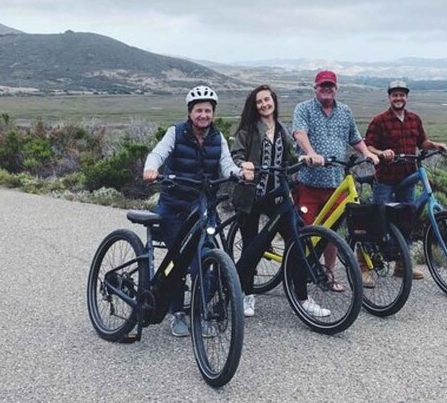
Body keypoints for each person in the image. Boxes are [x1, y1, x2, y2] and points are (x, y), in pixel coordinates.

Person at [143, 85, 253, 337]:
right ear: (190, 112)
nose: (203, 115)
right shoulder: (176, 133)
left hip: (203, 206)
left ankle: (201, 312)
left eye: (207, 110)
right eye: (198, 110)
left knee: (204, 261)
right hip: (175, 206)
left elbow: (226, 165)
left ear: (213, 113)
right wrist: (151, 169)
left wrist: (238, 174)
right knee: (178, 261)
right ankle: (177, 313)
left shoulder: (218, 138)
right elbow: (158, 154)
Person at [231, 85, 331, 318]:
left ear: (274, 101)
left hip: (276, 196)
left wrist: (304, 158)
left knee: (297, 240)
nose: (264, 104)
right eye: (259, 102)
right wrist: (243, 165)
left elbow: (290, 157)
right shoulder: (247, 130)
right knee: (251, 245)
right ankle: (246, 294)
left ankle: (303, 297)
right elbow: (236, 155)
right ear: (254, 107)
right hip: (251, 196)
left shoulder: (281, 130)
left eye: (267, 100)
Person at [292, 70, 379, 288]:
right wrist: (311, 153)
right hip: (309, 182)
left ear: (336, 89)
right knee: (306, 231)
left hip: (335, 183)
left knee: (331, 233)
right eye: (322, 86)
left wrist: (367, 153)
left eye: (330, 86)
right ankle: (296, 275)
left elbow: (355, 138)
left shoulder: (345, 111)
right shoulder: (304, 108)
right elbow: (299, 133)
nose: (326, 89)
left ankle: (328, 274)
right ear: (315, 88)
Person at [364, 80, 447, 280]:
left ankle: (402, 266)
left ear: (406, 97)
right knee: (378, 220)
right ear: (389, 97)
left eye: (402, 94)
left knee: (406, 221)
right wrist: (382, 152)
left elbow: (422, 142)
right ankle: (363, 265)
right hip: (385, 178)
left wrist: (435, 145)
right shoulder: (380, 120)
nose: (398, 98)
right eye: (395, 95)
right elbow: (368, 146)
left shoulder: (414, 119)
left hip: (408, 178)